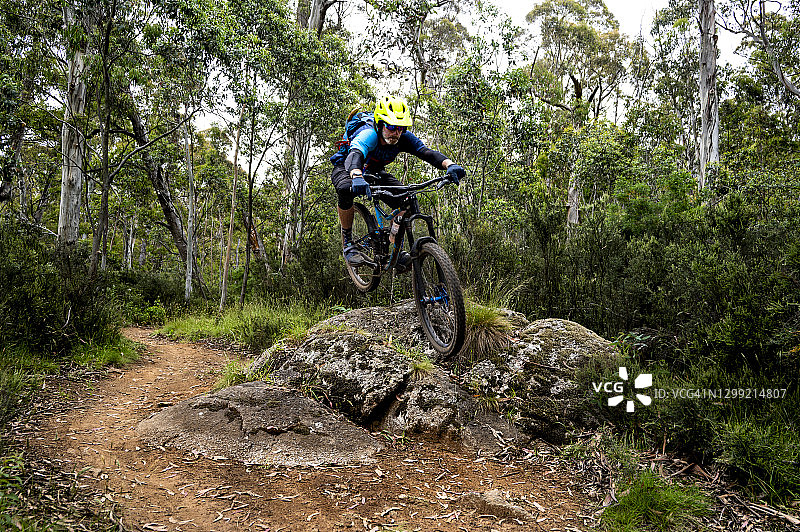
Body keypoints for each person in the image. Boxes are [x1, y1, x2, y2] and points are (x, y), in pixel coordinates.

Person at [330, 96, 465, 269]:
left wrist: (450, 165)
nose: (396, 133)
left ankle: (394, 246)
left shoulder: (403, 138)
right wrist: (356, 175)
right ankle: (348, 242)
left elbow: (426, 152)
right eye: (392, 127)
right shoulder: (369, 135)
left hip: (374, 170)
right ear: (380, 125)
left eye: (401, 128)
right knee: (345, 189)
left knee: (407, 200)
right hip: (347, 165)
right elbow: (355, 154)